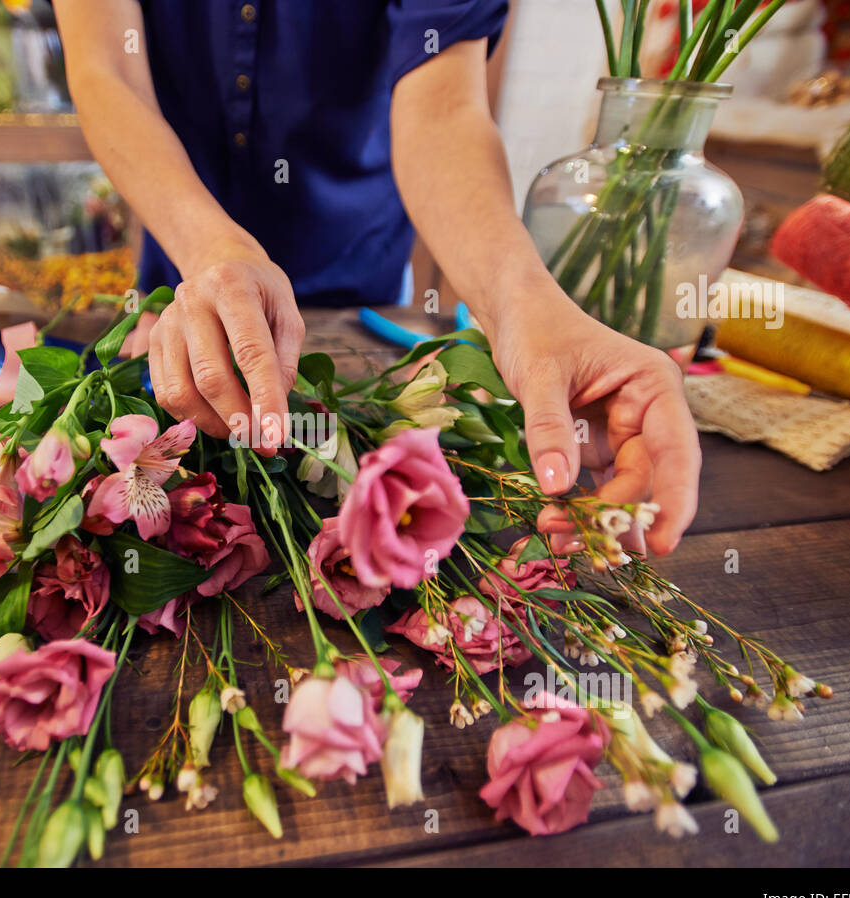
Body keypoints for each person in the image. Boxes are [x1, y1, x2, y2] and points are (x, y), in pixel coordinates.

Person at [53, 0, 701, 555]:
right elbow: (105, 67)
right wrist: (214, 249)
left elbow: (442, 107)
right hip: (185, 277)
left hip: (360, 275)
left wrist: (526, 303)